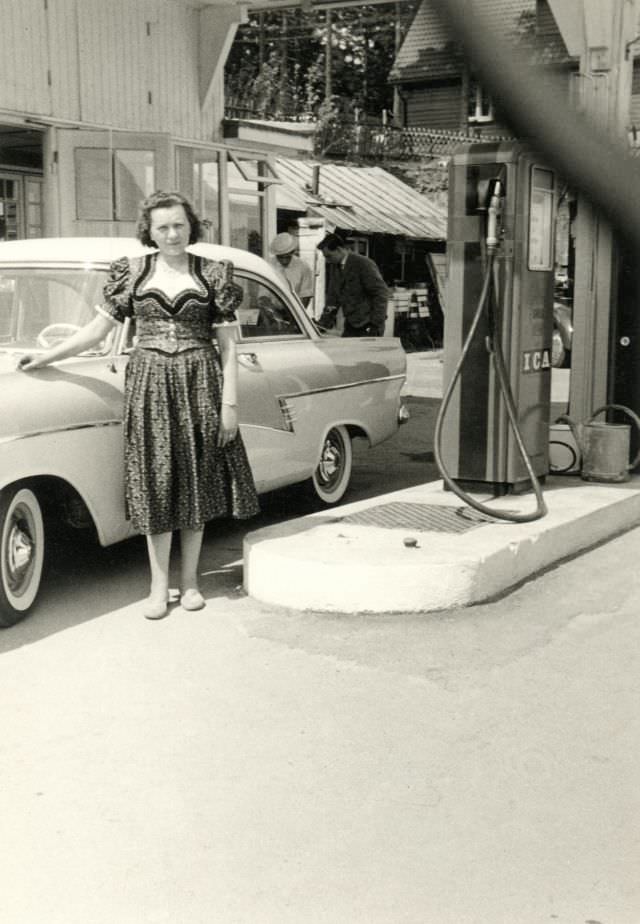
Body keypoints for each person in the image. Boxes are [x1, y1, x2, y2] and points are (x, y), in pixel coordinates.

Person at [18, 191, 259, 620]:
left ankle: (189, 583)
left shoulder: (213, 274)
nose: (172, 234)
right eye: (162, 226)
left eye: (179, 225)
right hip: (148, 384)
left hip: (200, 380)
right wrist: (46, 357)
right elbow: (96, 331)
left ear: (191, 227)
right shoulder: (131, 273)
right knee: (155, 481)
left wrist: (230, 404)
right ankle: (157, 586)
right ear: (149, 231)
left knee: (195, 479)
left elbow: (227, 347)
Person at [317, 232, 388, 337]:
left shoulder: (363, 264)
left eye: (329, 256)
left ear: (339, 250)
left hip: (368, 325)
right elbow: (332, 298)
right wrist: (323, 323)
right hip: (351, 324)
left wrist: (375, 325)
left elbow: (381, 293)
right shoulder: (334, 267)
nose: (327, 260)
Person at [269, 232, 314, 309]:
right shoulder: (269, 265)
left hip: (294, 311)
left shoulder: (303, 267)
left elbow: (306, 295)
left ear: (292, 252)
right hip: (272, 311)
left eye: (287, 257)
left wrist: (297, 316)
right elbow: (263, 295)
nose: (284, 261)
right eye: (280, 257)